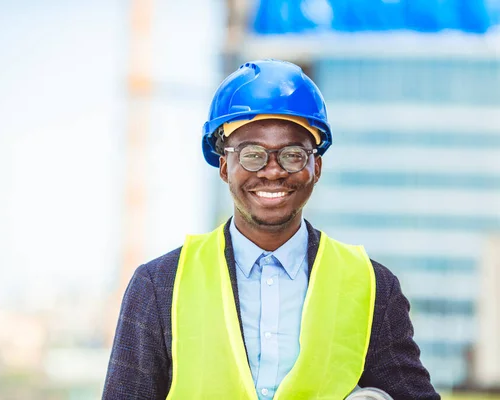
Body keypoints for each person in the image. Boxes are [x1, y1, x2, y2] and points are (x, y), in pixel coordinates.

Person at [103, 59, 440, 400]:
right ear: (225, 167)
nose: (273, 171)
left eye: (293, 155)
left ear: (315, 167)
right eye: (252, 155)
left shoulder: (371, 285)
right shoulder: (159, 285)